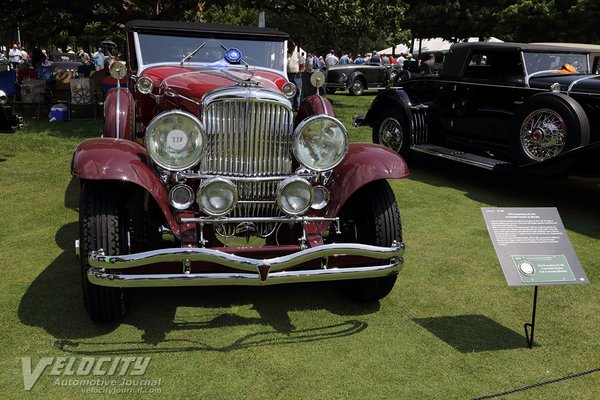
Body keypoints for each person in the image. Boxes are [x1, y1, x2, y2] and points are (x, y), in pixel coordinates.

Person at [286, 40, 302, 111]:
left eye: (294, 46)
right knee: (286, 90)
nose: (293, 48)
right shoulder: (284, 55)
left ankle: (296, 107)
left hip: (296, 75)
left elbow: (302, 64)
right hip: (287, 75)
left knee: (297, 91)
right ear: (288, 47)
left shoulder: (297, 54)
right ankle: (287, 105)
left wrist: (301, 71)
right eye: (291, 46)